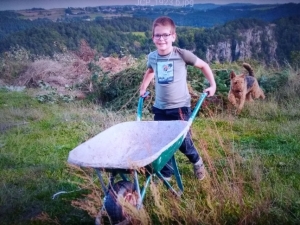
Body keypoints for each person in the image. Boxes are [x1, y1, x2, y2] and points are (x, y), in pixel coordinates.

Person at [139, 16, 216, 181]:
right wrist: (143, 87)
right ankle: (166, 175)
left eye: (166, 35)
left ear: (173, 36)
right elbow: (150, 71)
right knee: (161, 142)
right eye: (158, 35)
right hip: (160, 108)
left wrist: (213, 85)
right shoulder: (152, 57)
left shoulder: (182, 55)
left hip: (180, 107)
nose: (162, 39)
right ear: (153, 37)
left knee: (181, 141)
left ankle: (196, 161)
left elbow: (204, 65)